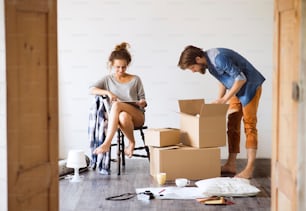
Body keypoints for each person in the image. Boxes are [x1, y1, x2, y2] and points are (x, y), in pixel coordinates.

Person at [177, 46, 265, 179]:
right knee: (232, 126)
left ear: (198, 59)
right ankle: (231, 164)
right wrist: (219, 100)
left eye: (192, 68)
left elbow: (241, 78)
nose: (193, 71)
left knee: (249, 126)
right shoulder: (208, 63)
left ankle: (249, 168)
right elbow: (222, 81)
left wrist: (224, 99)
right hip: (236, 89)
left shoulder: (218, 58)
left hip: (249, 87)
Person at [90, 42, 147, 158]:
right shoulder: (107, 79)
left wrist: (142, 102)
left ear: (127, 65)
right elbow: (91, 89)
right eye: (117, 67)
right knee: (123, 116)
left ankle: (107, 143)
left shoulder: (136, 79)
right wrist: (108, 92)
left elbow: (143, 101)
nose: (121, 70)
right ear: (112, 65)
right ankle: (132, 142)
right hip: (121, 119)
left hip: (137, 116)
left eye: (124, 67)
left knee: (116, 105)